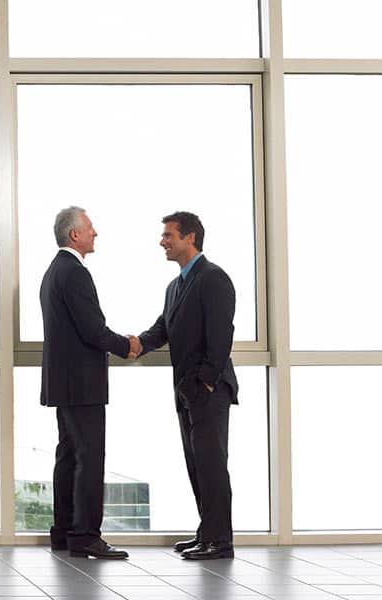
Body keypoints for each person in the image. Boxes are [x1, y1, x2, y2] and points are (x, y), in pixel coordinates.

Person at [137, 211, 239, 560]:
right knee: (197, 465)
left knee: (211, 465)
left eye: (169, 235)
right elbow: (161, 329)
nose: (162, 242)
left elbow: (222, 335)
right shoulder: (175, 286)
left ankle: (220, 541)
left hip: (208, 390)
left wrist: (207, 383)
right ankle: (206, 533)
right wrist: (133, 344)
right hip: (186, 391)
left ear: (190, 238)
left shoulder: (213, 278)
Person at [40, 206, 139, 559]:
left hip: (63, 384)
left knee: (68, 457)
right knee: (89, 459)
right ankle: (85, 536)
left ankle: (65, 532)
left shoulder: (54, 271)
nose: (96, 233)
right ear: (75, 235)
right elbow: (93, 330)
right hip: (82, 385)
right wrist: (127, 345)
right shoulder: (74, 272)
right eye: (91, 228)